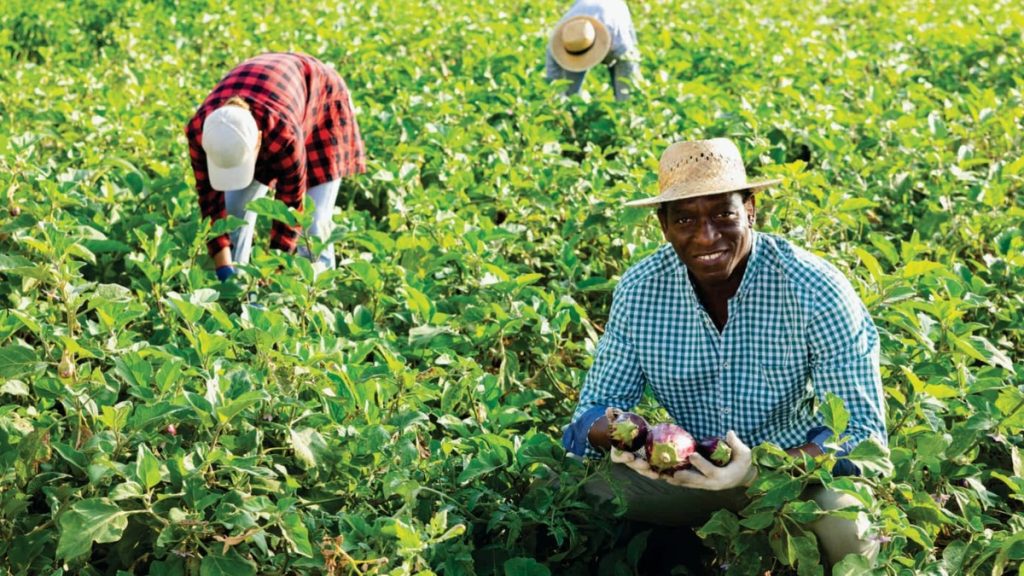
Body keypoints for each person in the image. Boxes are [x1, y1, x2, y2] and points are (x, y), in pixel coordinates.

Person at [561, 137, 888, 569]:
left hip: (792, 476)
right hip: (685, 472)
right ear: (663, 225)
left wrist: (759, 469)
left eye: (723, 213)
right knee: (578, 492)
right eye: (685, 219)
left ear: (750, 209)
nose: (706, 235)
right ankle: (684, 548)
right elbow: (590, 413)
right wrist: (622, 434)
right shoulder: (642, 290)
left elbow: (860, 434)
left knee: (847, 530)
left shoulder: (814, 289)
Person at [185, 52, 366, 282]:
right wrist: (224, 269)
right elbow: (210, 203)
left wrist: (272, 272)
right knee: (233, 209)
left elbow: (290, 209)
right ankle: (237, 291)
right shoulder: (202, 131)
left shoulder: (284, 136)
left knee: (313, 222)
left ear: (258, 141)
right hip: (272, 90)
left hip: (322, 100)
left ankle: (316, 296)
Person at [546, 0, 641, 101]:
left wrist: (624, 101)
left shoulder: (619, 42)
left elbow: (630, 65)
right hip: (584, 7)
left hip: (615, 9)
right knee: (571, 95)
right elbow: (554, 84)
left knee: (625, 95)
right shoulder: (563, 40)